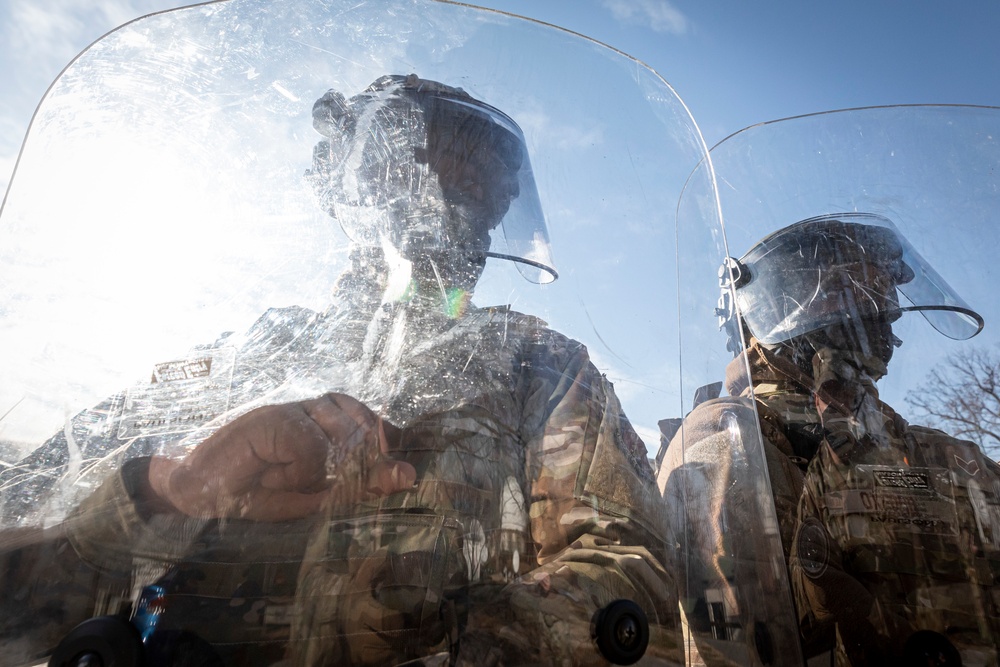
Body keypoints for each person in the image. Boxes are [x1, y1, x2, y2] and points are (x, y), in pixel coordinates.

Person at [0, 74, 677, 666]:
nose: (449, 207)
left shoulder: (542, 365)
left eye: (481, 192)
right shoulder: (251, 353)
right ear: (366, 185)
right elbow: (19, 609)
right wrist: (167, 490)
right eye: (425, 169)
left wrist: (455, 639)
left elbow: (632, 575)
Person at [658, 213, 1000, 666]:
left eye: (886, 291)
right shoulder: (731, 439)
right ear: (796, 300)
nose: (891, 310)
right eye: (865, 285)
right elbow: (746, 642)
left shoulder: (933, 450)